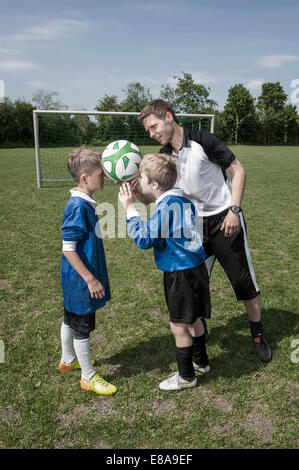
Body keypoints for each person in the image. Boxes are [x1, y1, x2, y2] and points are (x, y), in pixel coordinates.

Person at [136, 99, 271, 363]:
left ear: (168, 116)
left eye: (153, 127)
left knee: (244, 282)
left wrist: (235, 210)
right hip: (192, 226)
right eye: (148, 131)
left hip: (225, 220)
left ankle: (257, 334)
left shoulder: (204, 141)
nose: (152, 134)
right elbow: (152, 198)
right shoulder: (164, 157)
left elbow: (238, 170)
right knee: (195, 283)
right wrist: (134, 191)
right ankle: (200, 335)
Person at [118, 153, 211, 391]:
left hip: (180, 273)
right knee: (195, 319)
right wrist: (140, 195)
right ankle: (201, 361)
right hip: (197, 269)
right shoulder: (181, 199)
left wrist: (130, 209)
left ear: (155, 184)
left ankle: (186, 377)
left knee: (178, 326)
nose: (140, 181)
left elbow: (143, 239)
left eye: (142, 178)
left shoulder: (167, 207)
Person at [58, 146, 117, 395]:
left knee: (70, 318)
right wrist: (90, 279)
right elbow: (68, 248)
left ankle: (67, 360)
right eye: (100, 174)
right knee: (82, 325)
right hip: (80, 279)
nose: (103, 177)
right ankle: (88, 377)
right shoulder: (77, 206)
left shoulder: (85, 202)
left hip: (74, 278)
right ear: (85, 178)